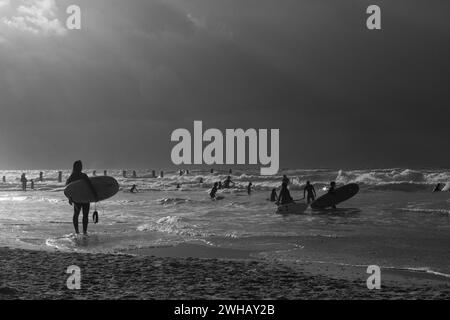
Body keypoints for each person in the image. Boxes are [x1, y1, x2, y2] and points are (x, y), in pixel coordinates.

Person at [66, 160, 98, 235]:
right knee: (78, 214)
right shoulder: (78, 176)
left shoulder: (75, 176)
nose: (81, 167)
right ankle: (79, 231)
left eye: (81, 166)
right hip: (81, 198)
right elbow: (68, 188)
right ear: (77, 167)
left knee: (83, 215)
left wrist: (95, 196)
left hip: (82, 198)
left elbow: (90, 186)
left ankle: (82, 231)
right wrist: (95, 195)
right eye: (80, 166)